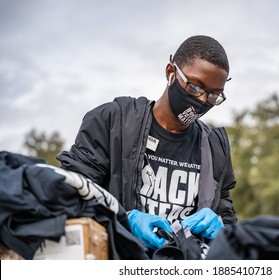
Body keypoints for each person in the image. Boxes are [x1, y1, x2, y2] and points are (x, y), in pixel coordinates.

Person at [57, 35, 237, 253]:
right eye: (195, 88)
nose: (201, 101)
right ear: (171, 73)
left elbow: (227, 217)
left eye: (213, 96)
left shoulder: (214, 145)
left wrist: (222, 229)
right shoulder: (113, 122)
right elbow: (70, 197)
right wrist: (124, 220)